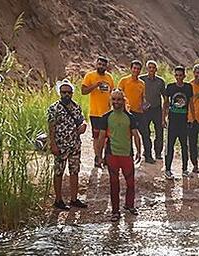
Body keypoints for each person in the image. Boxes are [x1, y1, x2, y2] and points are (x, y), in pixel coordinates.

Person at [95, 90, 142, 221]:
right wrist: (98, 155)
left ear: (124, 101)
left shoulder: (130, 117)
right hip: (112, 155)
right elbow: (101, 137)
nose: (116, 102)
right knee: (114, 184)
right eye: (114, 99)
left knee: (131, 183)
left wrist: (139, 151)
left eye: (119, 99)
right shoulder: (106, 117)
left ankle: (129, 205)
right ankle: (115, 211)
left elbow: (136, 135)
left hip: (127, 155)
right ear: (111, 100)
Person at [46, 79, 87, 210]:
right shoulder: (54, 108)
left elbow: (82, 120)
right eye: (64, 92)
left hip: (74, 144)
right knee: (59, 172)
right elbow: (51, 128)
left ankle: (74, 199)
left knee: (74, 171)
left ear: (72, 93)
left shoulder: (76, 107)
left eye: (69, 92)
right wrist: (53, 144)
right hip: (60, 144)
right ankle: (58, 200)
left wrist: (84, 126)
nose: (66, 95)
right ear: (60, 93)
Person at [81, 56, 115, 168]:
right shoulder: (90, 76)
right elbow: (83, 91)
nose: (101, 66)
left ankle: (105, 158)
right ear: (96, 64)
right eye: (99, 64)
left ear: (106, 66)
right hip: (95, 112)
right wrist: (95, 85)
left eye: (103, 65)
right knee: (96, 137)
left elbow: (112, 93)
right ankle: (97, 157)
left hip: (107, 112)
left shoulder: (109, 77)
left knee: (106, 137)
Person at [163, 66, 194, 179]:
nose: (179, 77)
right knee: (170, 146)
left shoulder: (188, 87)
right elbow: (165, 104)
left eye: (180, 75)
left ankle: (185, 169)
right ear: (174, 76)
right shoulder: (170, 87)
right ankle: (167, 169)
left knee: (184, 146)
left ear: (184, 76)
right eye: (176, 75)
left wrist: (192, 118)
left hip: (183, 121)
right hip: (172, 121)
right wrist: (163, 119)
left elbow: (191, 104)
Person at [139, 59, 166, 163]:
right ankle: (147, 151)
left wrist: (165, 113)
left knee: (159, 131)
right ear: (147, 69)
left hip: (157, 109)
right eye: (149, 67)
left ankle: (158, 153)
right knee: (146, 132)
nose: (151, 69)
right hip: (145, 110)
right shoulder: (142, 79)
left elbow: (165, 97)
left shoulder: (160, 81)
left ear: (156, 69)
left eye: (153, 68)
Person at [117, 59, 146, 144]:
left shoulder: (142, 83)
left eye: (138, 69)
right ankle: (128, 154)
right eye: (134, 68)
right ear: (131, 69)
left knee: (143, 133)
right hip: (126, 111)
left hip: (138, 112)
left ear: (140, 70)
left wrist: (145, 105)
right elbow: (118, 94)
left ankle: (146, 154)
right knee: (126, 134)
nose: (136, 70)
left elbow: (143, 97)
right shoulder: (124, 80)